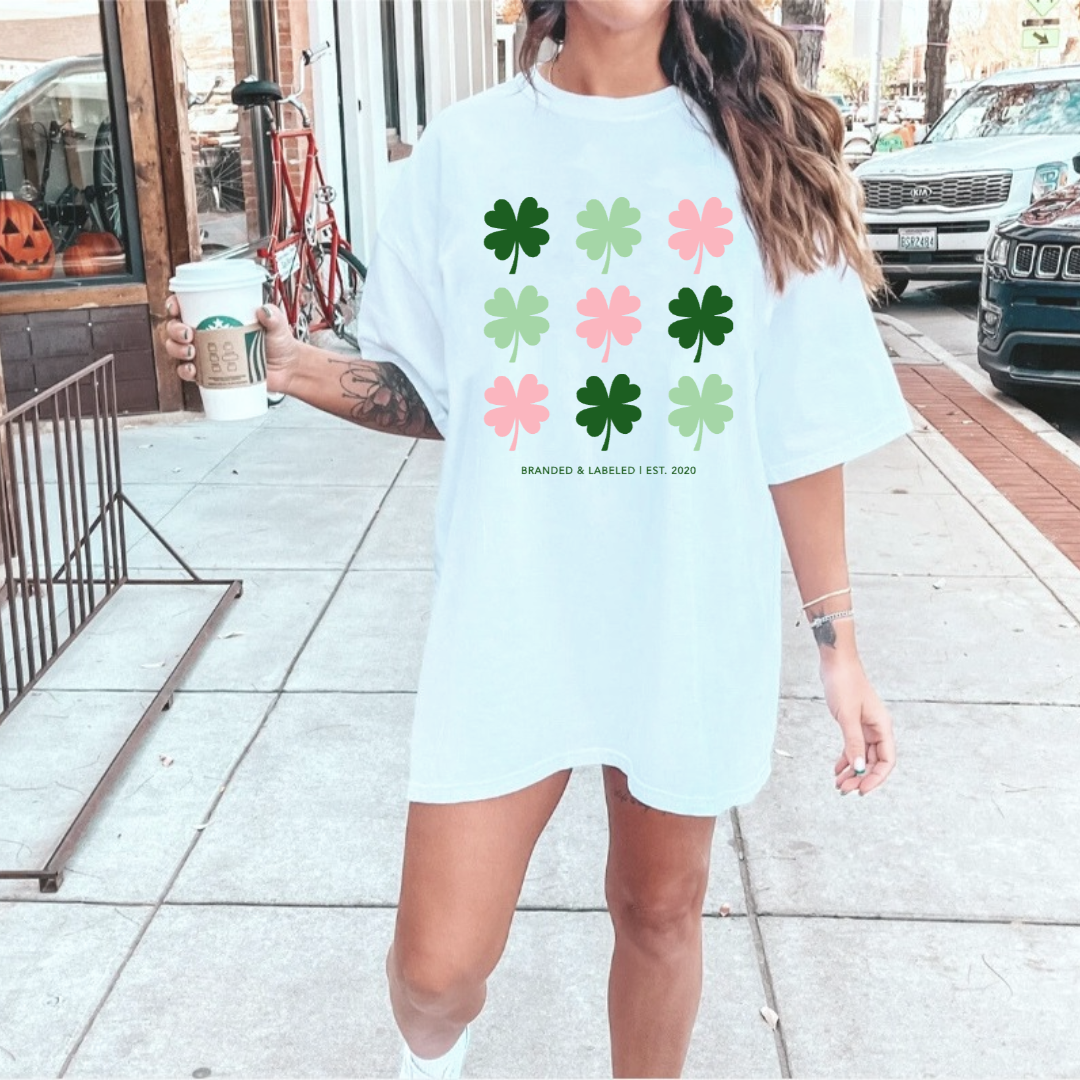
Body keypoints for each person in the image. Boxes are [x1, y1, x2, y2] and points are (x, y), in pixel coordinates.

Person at [165, 1, 913, 1076]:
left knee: (657, 911)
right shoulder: (463, 153)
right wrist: (289, 368)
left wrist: (839, 645)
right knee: (436, 974)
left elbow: (797, 428)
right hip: (513, 606)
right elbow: (439, 393)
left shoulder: (760, 155)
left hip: (684, 605)